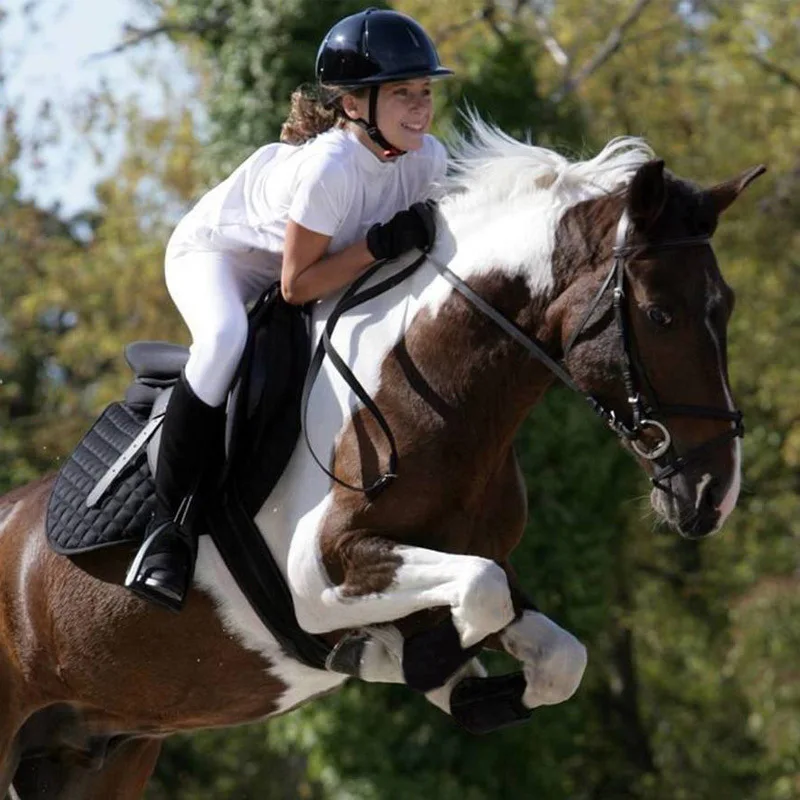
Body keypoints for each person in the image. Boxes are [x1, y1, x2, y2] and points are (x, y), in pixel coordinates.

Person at [124, 8, 454, 612]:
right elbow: (297, 286)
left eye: (425, 91)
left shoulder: (426, 159)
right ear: (355, 105)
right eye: (402, 93)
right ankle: (168, 528)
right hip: (219, 256)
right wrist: (376, 247)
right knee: (225, 340)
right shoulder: (332, 167)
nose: (420, 107)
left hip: (304, 265)